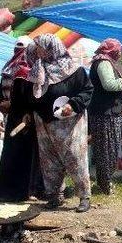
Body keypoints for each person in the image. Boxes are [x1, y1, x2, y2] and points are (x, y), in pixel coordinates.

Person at [26, 34, 94, 212]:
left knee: (74, 158)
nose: (37, 49)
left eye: (40, 46)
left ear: (51, 47)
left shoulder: (73, 70)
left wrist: (73, 104)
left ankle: (84, 196)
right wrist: (29, 112)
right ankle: (55, 196)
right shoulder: (37, 70)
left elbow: (87, 90)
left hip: (69, 123)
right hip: (43, 123)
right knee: (49, 161)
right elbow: (32, 95)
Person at [0, 37, 45, 201]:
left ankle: (9, 189)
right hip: (24, 119)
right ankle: (24, 190)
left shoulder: (11, 68)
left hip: (16, 116)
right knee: (24, 155)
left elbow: (4, 95)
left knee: (13, 153)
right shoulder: (26, 71)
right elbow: (23, 98)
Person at [88, 38, 122, 194]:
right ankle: (105, 184)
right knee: (106, 149)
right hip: (105, 114)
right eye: (119, 50)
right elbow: (109, 85)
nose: (120, 53)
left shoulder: (104, 62)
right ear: (112, 50)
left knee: (109, 148)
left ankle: (105, 182)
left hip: (107, 112)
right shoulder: (103, 63)